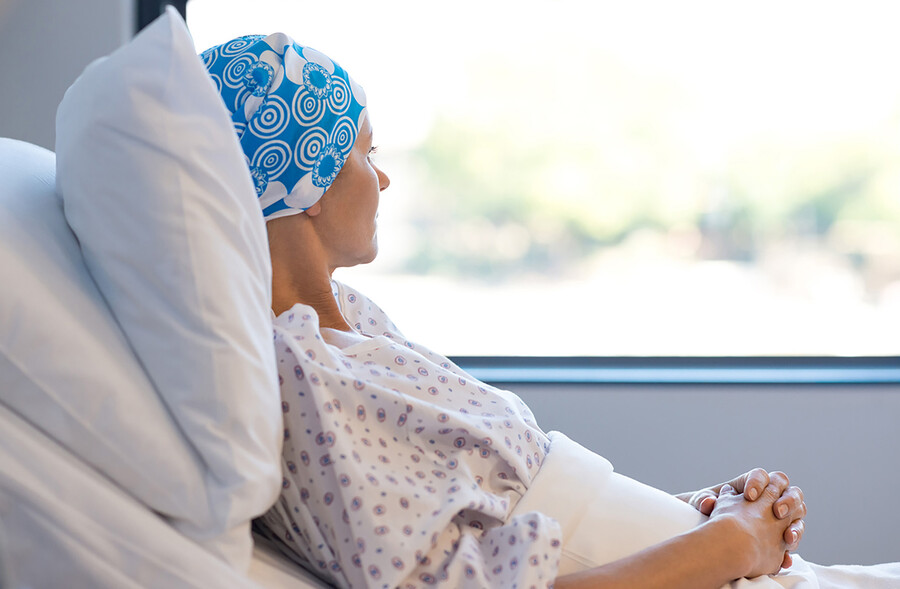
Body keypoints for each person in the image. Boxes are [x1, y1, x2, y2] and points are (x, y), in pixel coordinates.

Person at [201, 34, 899, 589]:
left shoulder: (353, 322)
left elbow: (514, 507)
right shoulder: (298, 371)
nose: (382, 176)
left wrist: (701, 511)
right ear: (308, 178)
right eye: (364, 151)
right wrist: (732, 541)